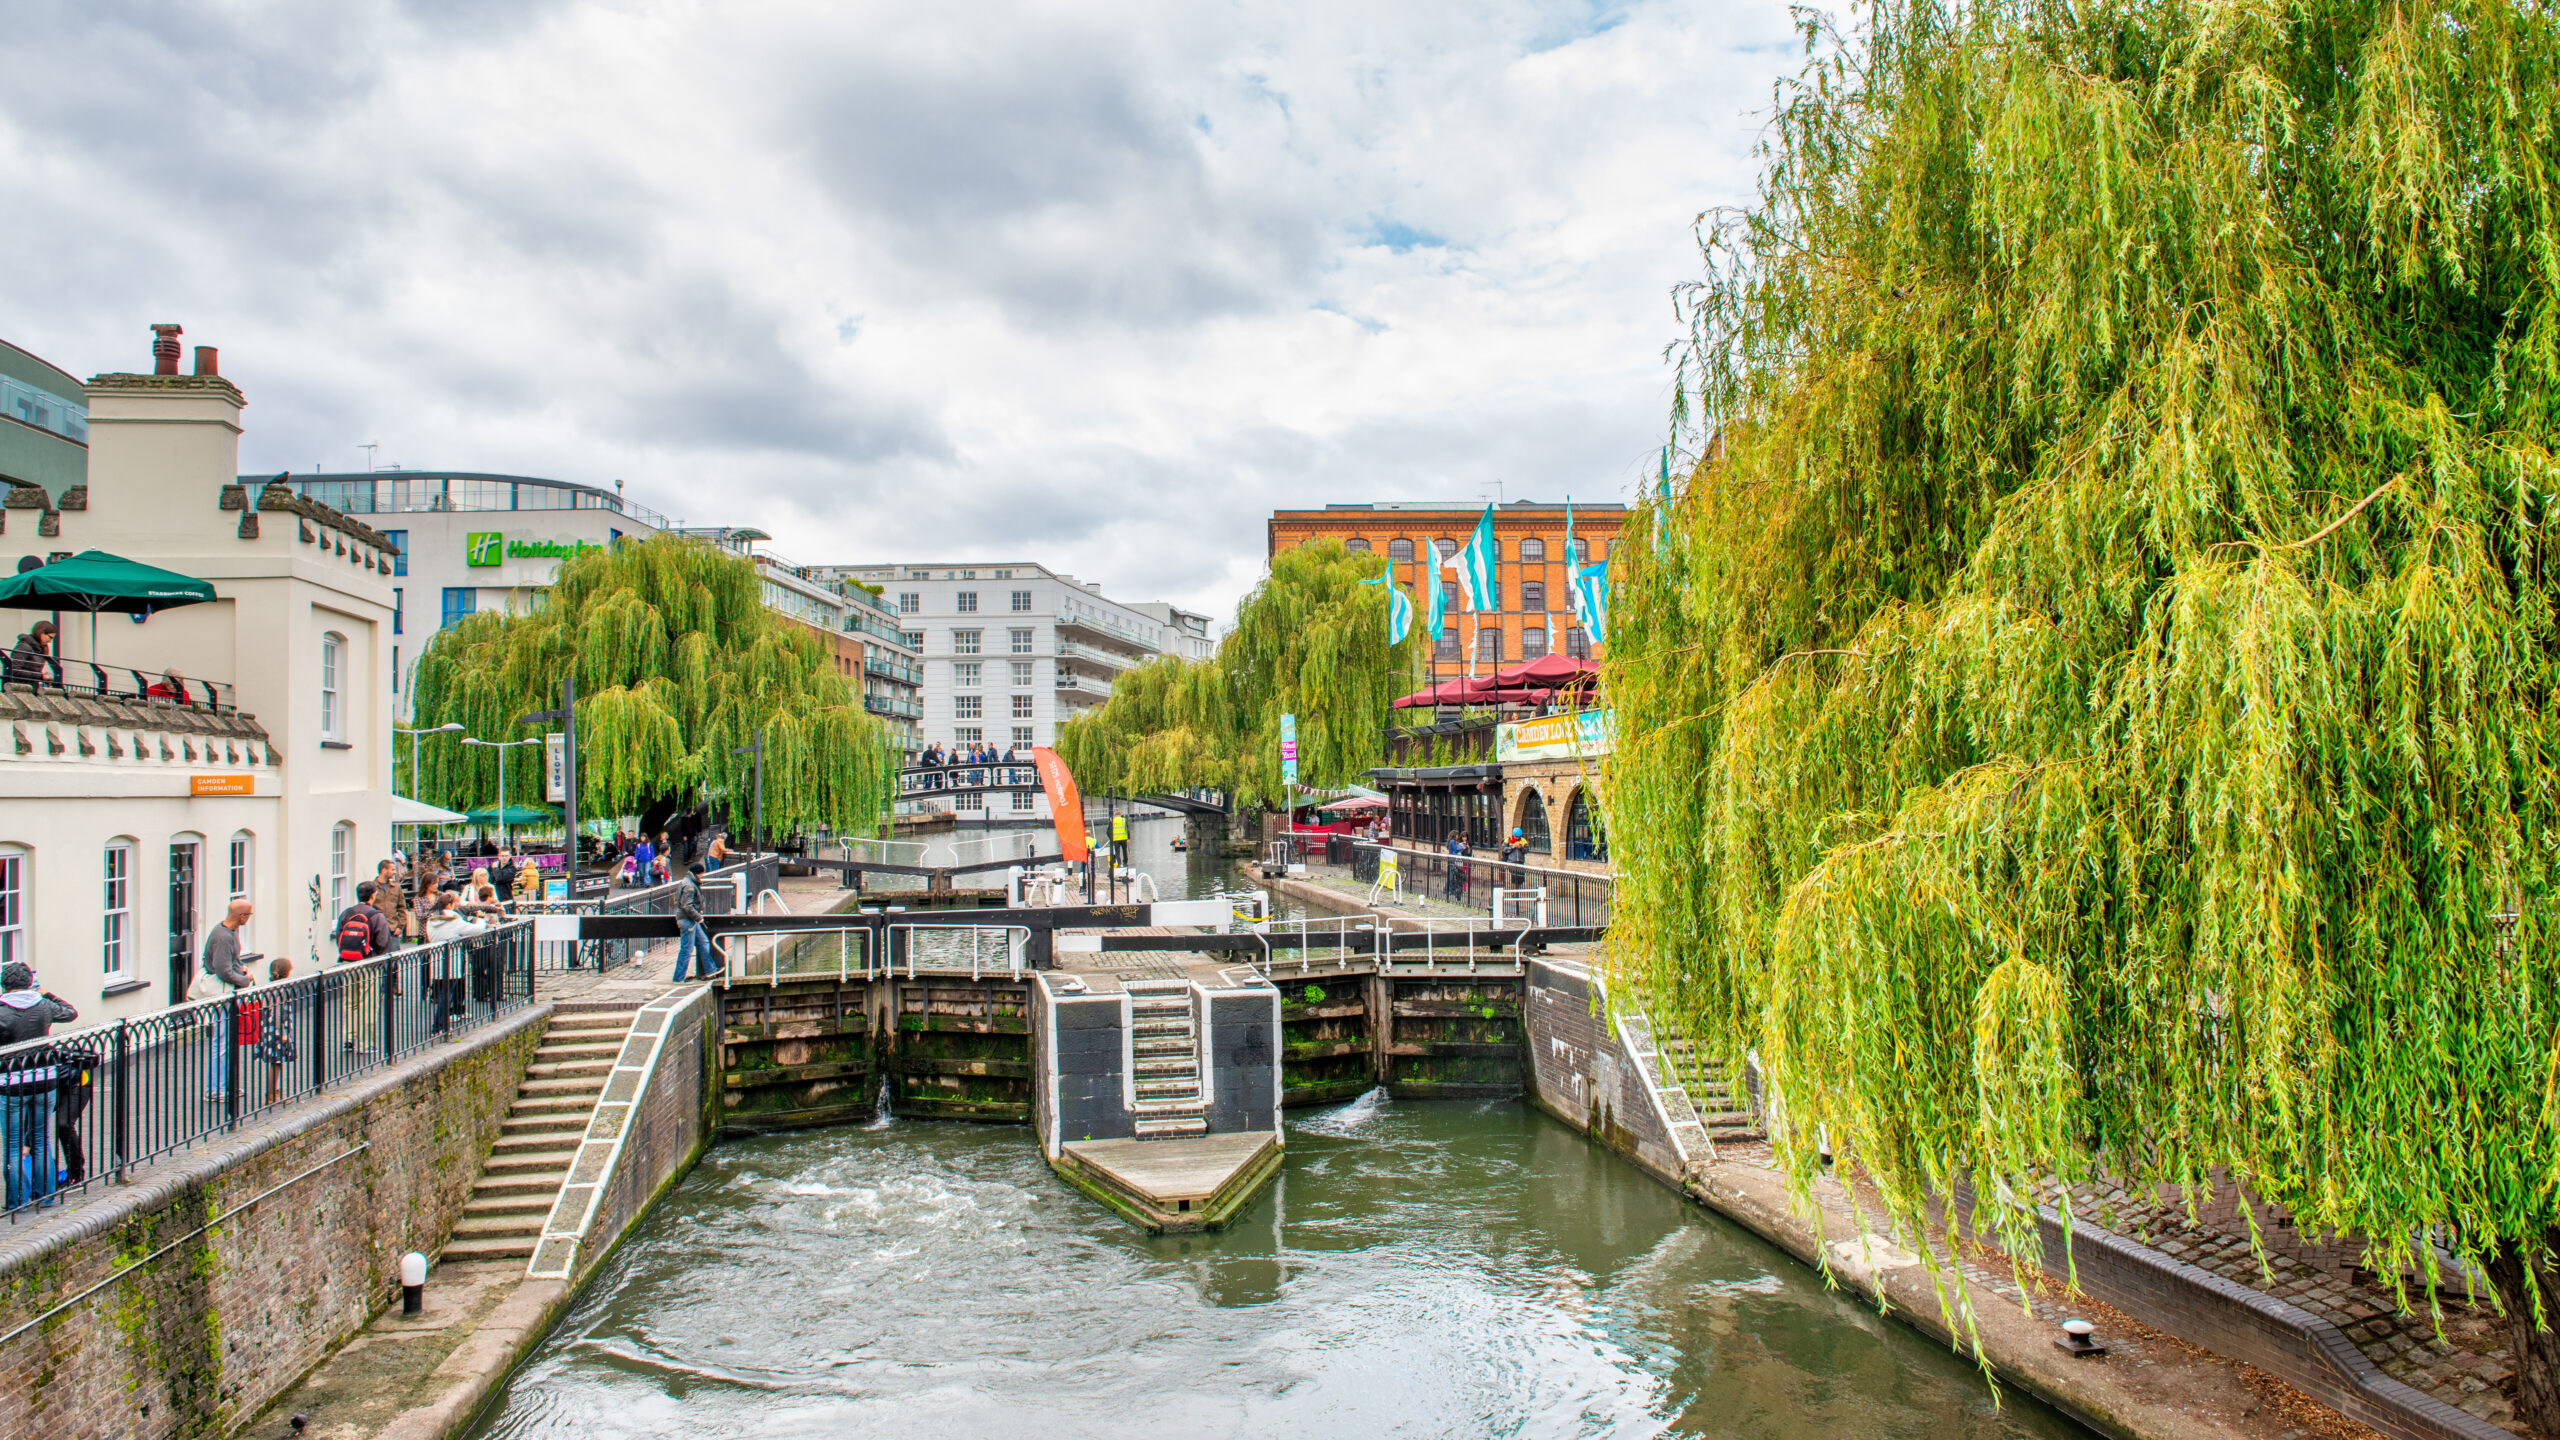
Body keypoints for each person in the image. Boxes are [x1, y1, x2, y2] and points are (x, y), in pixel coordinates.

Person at [0, 963, 76, 1207]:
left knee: (13, 1145)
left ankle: (16, 1202)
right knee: (41, 1139)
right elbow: (69, 1012)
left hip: (11, 1082)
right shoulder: (43, 1004)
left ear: (4, 985)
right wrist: (44, 992)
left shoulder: (1, 1010)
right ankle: (46, 1197)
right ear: (27, 983)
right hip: (45, 1078)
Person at [201, 898, 257, 1098]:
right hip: (223, 995)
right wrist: (244, 979)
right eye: (248, 915)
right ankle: (215, 1089)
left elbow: (232, 960)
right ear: (241, 916)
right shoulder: (223, 937)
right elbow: (222, 971)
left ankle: (225, 1085)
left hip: (230, 993)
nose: (249, 918)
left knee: (227, 1041)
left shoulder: (229, 932)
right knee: (221, 1042)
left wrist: (240, 967)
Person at [333, 881, 395, 1055]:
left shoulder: (346, 913)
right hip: (369, 964)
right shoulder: (376, 916)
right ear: (373, 895)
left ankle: (349, 1038)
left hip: (347, 961)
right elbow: (383, 942)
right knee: (367, 1003)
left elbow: (339, 935)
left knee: (350, 1002)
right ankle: (365, 1043)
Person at [672, 863, 714, 981]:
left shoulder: (687, 881)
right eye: (702, 873)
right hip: (688, 920)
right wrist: (698, 917)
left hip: (690, 920)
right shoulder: (690, 885)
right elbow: (686, 905)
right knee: (686, 949)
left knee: (703, 942)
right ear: (698, 873)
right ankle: (678, 978)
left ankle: (710, 969)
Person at [372, 859, 414, 946]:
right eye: (392, 870)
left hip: (393, 930)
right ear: (384, 870)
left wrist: (400, 926)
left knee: (394, 957)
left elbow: (402, 908)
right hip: (377, 931)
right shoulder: (372, 887)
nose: (394, 872)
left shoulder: (396, 887)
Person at [6, 620, 57, 689]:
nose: (50, 641)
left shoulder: (40, 649)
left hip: (30, 688)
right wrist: (40, 676)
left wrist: (42, 676)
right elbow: (14, 670)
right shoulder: (24, 647)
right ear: (41, 633)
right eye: (50, 637)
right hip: (20, 688)